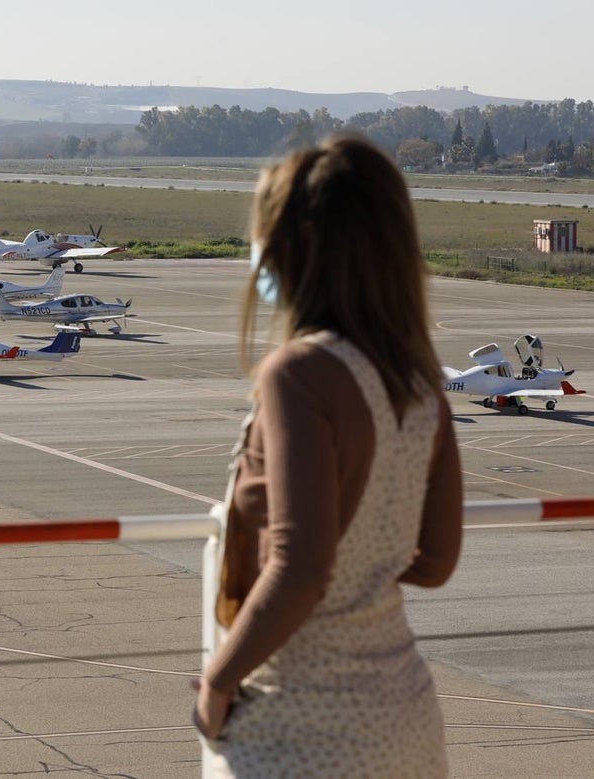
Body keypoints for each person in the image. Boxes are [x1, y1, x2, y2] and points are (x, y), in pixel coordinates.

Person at [193, 134, 463, 778]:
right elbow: (435, 562)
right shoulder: (421, 382)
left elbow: (301, 569)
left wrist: (217, 682)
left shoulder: (301, 373)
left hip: (302, 730)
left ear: (299, 247)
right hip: (405, 720)